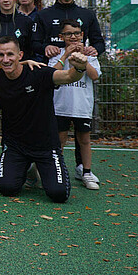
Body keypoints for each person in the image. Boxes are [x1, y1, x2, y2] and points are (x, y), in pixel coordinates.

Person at [0, 36, 90, 203]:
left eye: (10, 54)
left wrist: (79, 68)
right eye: (1, 55)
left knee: (58, 194)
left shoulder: (38, 72)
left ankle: (40, 167)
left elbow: (67, 77)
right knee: (8, 188)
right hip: (15, 146)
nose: (5, 59)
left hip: (45, 146)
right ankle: (27, 168)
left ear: (20, 55)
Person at [48, 21, 102, 190]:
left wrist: (83, 60)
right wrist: (65, 56)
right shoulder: (57, 56)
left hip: (82, 107)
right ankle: (58, 172)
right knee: (60, 140)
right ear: (61, 37)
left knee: (84, 139)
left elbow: (94, 76)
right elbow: (51, 74)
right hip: (61, 106)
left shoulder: (91, 56)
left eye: (77, 33)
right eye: (68, 34)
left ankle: (86, 172)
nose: (73, 37)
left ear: (82, 35)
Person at [34, 0, 105, 60]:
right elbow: (34, 43)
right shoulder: (43, 15)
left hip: (79, 65)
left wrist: (94, 49)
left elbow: (99, 43)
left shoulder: (87, 14)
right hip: (52, 67)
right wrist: (46, 48)